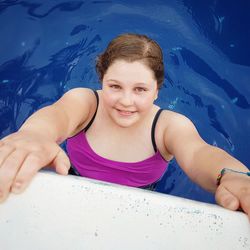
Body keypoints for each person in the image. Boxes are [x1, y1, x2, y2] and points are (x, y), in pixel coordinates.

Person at [0, 33, 249, 218]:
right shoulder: (86, 103)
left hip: (139, 200)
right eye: (115, 86)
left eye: (140, 89)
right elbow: (58, 115)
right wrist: (34, 134)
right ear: (102, 81)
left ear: (156, 91)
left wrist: (232, 174)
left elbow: (198, 153)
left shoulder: (167, 126)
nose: (126, 101)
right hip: (75, 183)